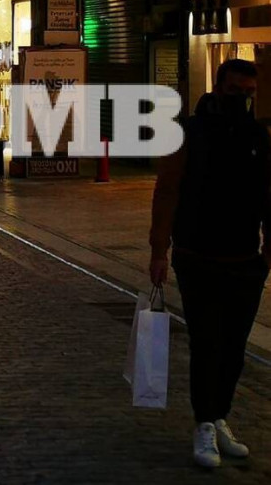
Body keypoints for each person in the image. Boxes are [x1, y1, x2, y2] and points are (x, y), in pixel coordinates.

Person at [150, 58, 271, 468]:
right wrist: (159, 250)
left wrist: (267, 253)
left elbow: (268, 195)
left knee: (234, 347)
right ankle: (204, 422)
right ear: (218, 88)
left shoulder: (258, 136)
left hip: (245, 259)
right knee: (207, 342)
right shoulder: (188, 133)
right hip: (196, 257)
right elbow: (167, 191)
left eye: (249, 93)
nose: (243, 99)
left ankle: (219, 417)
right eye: (235, 91)